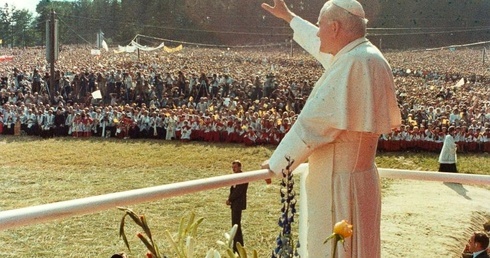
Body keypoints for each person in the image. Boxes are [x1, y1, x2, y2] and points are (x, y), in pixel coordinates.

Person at [260, 0, 401, 257]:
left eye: (320, 25)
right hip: (356, 179)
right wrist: (289, 17)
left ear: (335, 28)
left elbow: (312, 125)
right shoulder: (360, 55)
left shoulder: (355, 62)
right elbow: (321, 48)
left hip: (341, 184)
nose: (317, 31)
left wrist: (278, 165)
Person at [226, 160, 248, 252]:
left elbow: (238, 192)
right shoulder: (235, 177)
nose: (233, 169)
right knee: (235, 225)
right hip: (235, 204)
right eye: (232, 167)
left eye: (235, 167)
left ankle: (238, 246)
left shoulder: (243, 177)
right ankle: (237, 245)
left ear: (240, 167)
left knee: (236, 225)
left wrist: (230, 199)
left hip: (238, 204)